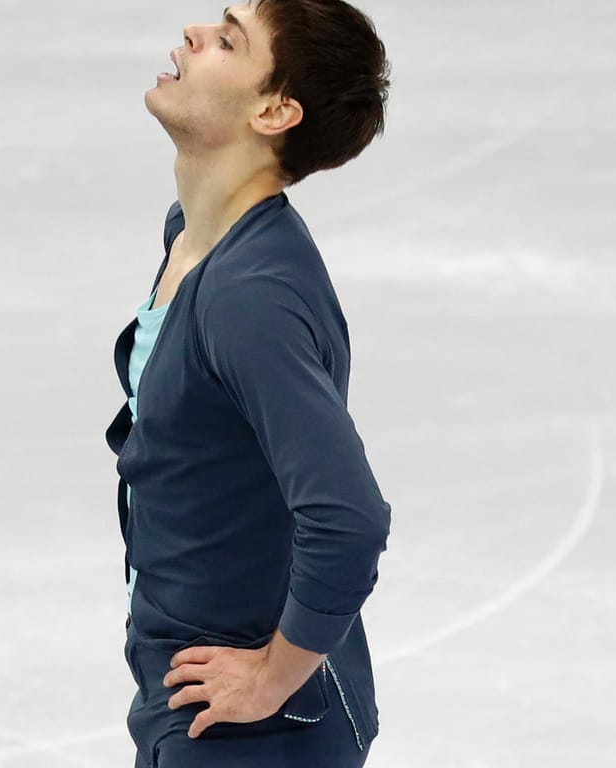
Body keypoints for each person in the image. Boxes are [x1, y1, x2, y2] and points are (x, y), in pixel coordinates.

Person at [104, 2, 392, 765]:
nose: (195, 33)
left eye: (229, 39)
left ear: (275, 109)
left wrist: (273, 677)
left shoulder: (248, 296)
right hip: (194, 697)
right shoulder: (193, 240)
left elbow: (349, 517)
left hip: (254, 731)